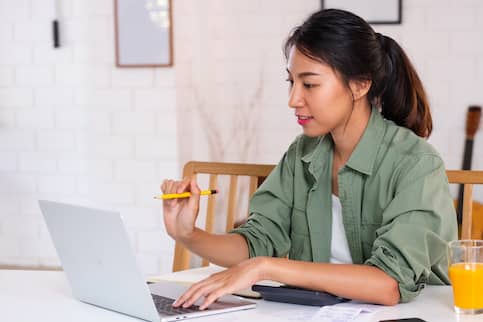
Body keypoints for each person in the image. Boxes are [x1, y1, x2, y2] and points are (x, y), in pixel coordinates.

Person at [161, 9, 457, 310]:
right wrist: (188, 233)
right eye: (291, 82)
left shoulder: (416, 163)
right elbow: (255, 244)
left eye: (310, 84)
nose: (293, 99)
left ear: (360, 85)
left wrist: (267, 268)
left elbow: (389, 284)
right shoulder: (303, 154)